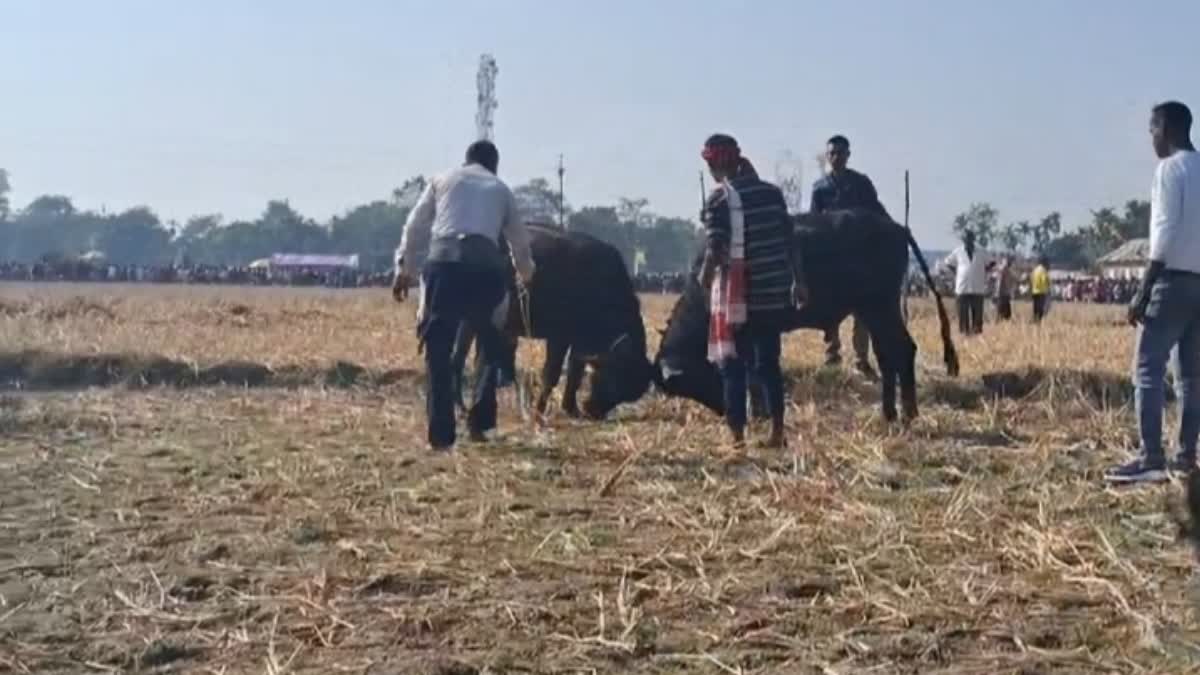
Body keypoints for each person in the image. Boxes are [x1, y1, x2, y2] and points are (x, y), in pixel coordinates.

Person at [392, 140, 536, 452]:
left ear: (466, 160)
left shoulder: (442, 179)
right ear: (494, 164)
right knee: (490, 345)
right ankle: (481, 423)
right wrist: (527, 276)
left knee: (438, 351)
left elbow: (415, 226)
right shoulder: (500, 189)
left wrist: (404, 269)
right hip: (486, 271)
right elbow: (519, 242)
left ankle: (441, 436)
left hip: (443, 267)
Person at [1106, 101, 1200, 483]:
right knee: (1192, 377)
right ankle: (1186, 456)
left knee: (1147, 368)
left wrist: (1143, 290)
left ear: (1168, 129)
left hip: (1171, 281)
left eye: (1153, 129)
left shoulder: (1169, 170)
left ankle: (1151, 456)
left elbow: (1164, 233)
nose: (1151, 138)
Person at [699, 134, 807, 448]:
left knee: (732, 365)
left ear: (719, 162)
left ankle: (736, 437)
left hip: (738, 298)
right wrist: (800, 282)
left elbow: (716, 247)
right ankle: (776, 431)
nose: (708, 170)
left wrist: (705, 280)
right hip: (773, 294)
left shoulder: (719, 198)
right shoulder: (772, 194)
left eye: (709, 163)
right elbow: (791, 239)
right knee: (768, 364)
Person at [810, 135, 890, 373]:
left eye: (840, 154)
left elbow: (877, 211)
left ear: (848, 155)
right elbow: (814, 221)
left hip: (858, 257)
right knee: (829, 309)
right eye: (832, 154)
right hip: (830, 258)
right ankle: (832, 355)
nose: (836, 158)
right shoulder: (820, 188)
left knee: (862, 310)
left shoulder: (861, 183)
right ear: (827, 157)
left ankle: (861, 359)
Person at [938, 230, 993, 335]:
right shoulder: (958, 251)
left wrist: (983, 272)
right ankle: (964, 334)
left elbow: (991, 263)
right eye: (966, 239)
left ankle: (976, 333)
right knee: (963, 314)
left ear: (973, 239)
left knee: (977, 314)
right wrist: (956, 271)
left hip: (977, 287)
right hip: (962, 287)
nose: (968, 241)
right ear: (963, 240)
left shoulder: (982, 251)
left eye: (970, 238)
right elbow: (948, 262)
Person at [1030, 257, 1051, 323]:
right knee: (1040, 309)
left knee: (1035, 308)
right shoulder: (1043, 270)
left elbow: (1031, 279)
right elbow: (1044, 280)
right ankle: (1038, 321)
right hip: (1041, 292)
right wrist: (1048, 286)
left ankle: (1034, 320)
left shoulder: (1035, 270)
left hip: (1034, 291)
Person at [994, 255, 1015, 321]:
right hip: (1002, 294)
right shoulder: (1003, 270)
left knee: (1005, 314)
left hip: (1004, 294)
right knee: (1002, 313)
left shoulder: (1006, 270)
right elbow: (1000, 283)